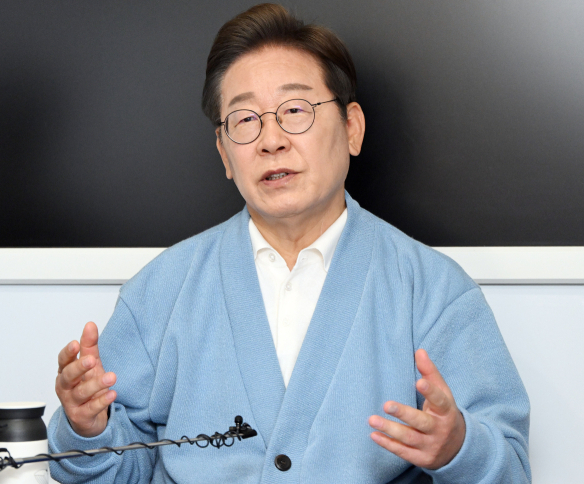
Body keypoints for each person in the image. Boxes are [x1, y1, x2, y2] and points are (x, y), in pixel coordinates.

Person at [49, 4, 531, 483]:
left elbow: (510, 468)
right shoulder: (158, 292)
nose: (271, 141)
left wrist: (457, 448)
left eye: (295, 110)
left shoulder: (435, 292)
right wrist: (88, 430)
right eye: (245, 120)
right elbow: (116, 469)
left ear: (352, 128)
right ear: (224, 153)